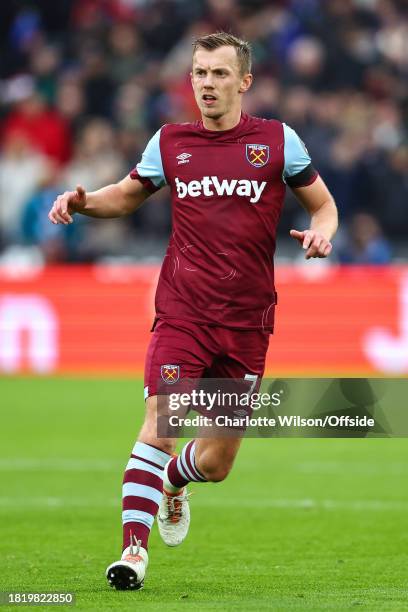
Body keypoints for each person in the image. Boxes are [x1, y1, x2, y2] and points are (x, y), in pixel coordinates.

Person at [48, 32, 338, 591]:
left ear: (243, 82)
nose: (206, 83)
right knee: (162, 422)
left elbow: (323, 206)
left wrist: (321, 235)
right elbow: (127, 193)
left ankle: (176, 483)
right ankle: (133, 552)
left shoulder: (278, 142)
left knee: (216, 463)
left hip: (248, 320)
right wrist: (84, 203)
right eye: (199, 73)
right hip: (183, 311)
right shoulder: (170, 141)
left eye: (219, 74)